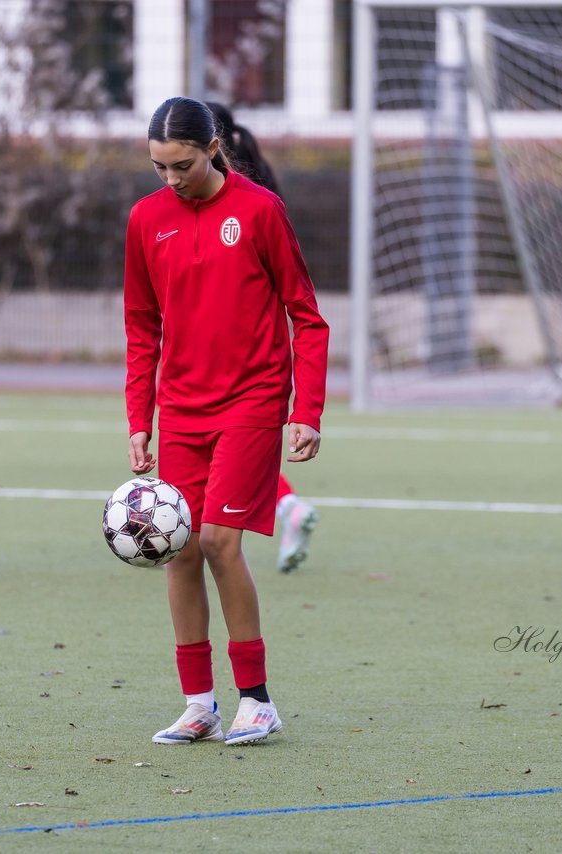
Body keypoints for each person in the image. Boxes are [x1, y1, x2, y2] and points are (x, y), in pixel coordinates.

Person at [124, 97, 329, 746]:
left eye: (181, 164)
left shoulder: (260, 211)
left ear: (212, 148)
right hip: (180, 408)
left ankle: (257, 700)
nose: (171, 179)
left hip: (252, 400)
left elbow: (307, 316)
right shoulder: (145, 220)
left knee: (217, 542)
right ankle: (198, 704)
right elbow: (141, 327)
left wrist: (308, 411)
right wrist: (139, 417)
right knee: (177, 550)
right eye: (158, 167)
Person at [206, 101, 320, 574]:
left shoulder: (250, 200)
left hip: (236, 354)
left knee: (226, 456)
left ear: (210, 146)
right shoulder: (259, 184)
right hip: (243, 350)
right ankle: (282, 507)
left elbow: (303, 309)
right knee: (227, 457)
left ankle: (286, 505)